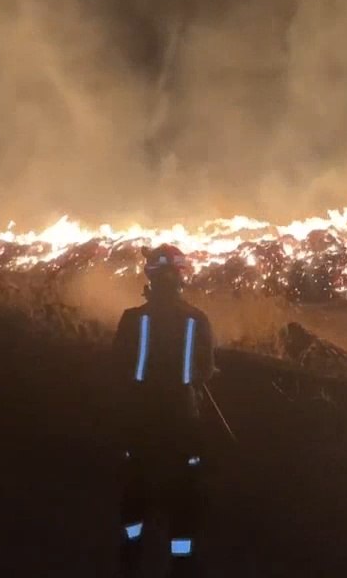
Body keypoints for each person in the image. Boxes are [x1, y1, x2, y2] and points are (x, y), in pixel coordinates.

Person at [112, 244, 216, 576]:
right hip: (183, 420)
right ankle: (181, 563)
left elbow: (118, 365)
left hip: (140, 418)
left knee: (136, 487)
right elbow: (205, 370)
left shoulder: (132, 319)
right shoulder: (196, 319)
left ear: (151, 278)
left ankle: (130, 555)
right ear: (181, 277)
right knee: (185, 494)